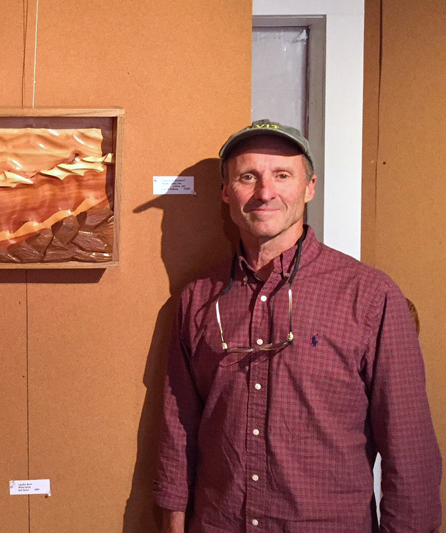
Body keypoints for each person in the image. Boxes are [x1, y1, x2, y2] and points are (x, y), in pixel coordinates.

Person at [153, 119, 441, 532]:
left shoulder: (371, 296)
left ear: (309, 187)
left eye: (282, 175)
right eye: (247, 176)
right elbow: (178, 432)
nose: (265, 192)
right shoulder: (197, 300)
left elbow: (409, 449)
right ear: (226, 192)